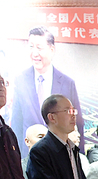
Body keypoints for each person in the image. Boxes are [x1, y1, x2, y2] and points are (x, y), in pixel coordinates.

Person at [12, 27, 84, 159]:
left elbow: (78, 123)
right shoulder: (20, 80)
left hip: (60, 155)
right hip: (29, 156)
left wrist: (80, 158)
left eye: (39, 48)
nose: (34, 53)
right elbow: (17, 123)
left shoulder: (67, 83)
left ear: (52, 50)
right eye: (31, 47)